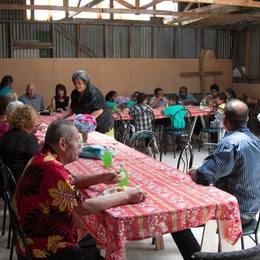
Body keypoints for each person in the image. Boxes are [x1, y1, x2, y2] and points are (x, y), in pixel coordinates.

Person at [14, 119, 145, 260]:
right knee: (95, 234)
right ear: (63, 143)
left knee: (94, 233)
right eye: (78, 140)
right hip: (44, 245)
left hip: (32, 233)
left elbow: (72, 181)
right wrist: (127, 195)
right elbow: (84, 207)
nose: (81, 145)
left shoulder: (45, 155)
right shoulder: (50, 169)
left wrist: (100, 178)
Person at [188, 99, 260, 226]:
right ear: (247, 118)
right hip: (252, 207)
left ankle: (195, 246)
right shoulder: (255, 140)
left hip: (235, 211)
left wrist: (192, 172)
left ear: (224, 120)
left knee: (182, 212)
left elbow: (203, 177)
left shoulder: (229, 144)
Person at [61, 70, 114, 135]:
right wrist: (61, 117)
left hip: (103, 123)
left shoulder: (94, 93)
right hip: (89, 124)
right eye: (75, 83)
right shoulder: (74, 93)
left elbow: (99, 110)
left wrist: (85, 122)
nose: (77, 85)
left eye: (79, 83)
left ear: (85, 82)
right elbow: (72, 109)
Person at [0, 105, 39, 181]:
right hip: (21, 183)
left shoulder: (6, 136)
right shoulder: (29, 139)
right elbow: (36, 164)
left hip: (5, 181)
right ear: (31, 121)